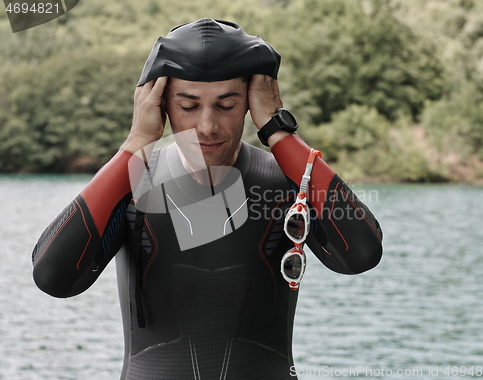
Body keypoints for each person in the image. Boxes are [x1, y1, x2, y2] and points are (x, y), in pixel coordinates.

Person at [32, 19, 383, 380]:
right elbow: (52, 277)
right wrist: (136, 144)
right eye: (188, 106)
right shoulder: (134, 184)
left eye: (227, 105)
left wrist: (278, 131)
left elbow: (361, 254)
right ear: (161, 104)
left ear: (251, 102)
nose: (208, 126)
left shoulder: (289, 182)